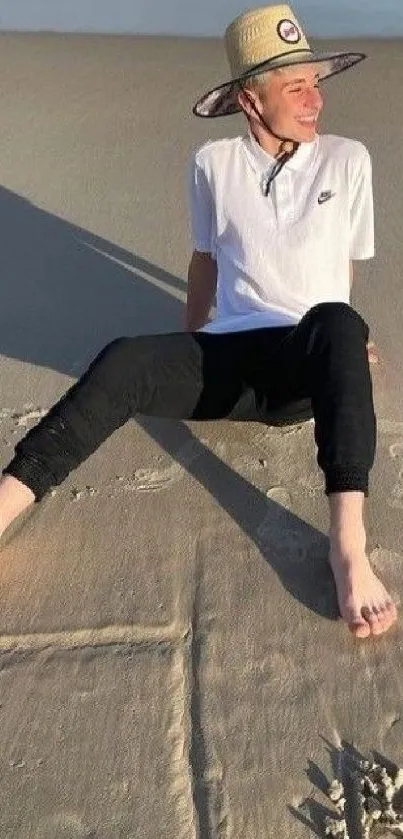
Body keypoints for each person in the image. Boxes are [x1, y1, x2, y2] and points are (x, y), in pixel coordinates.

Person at [0, 3, 397, 639]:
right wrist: (188, 345)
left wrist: (344, 348)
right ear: (250, 98)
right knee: (126, 354)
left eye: (316, 82)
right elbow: (204, 260)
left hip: (307, 368)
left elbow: (342, 271)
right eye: (295, 86)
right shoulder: (212, 165)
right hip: (229, 366)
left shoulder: (349, 160)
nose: (314, 98)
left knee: (338, 318)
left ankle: (347, 547)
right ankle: (6, 504)